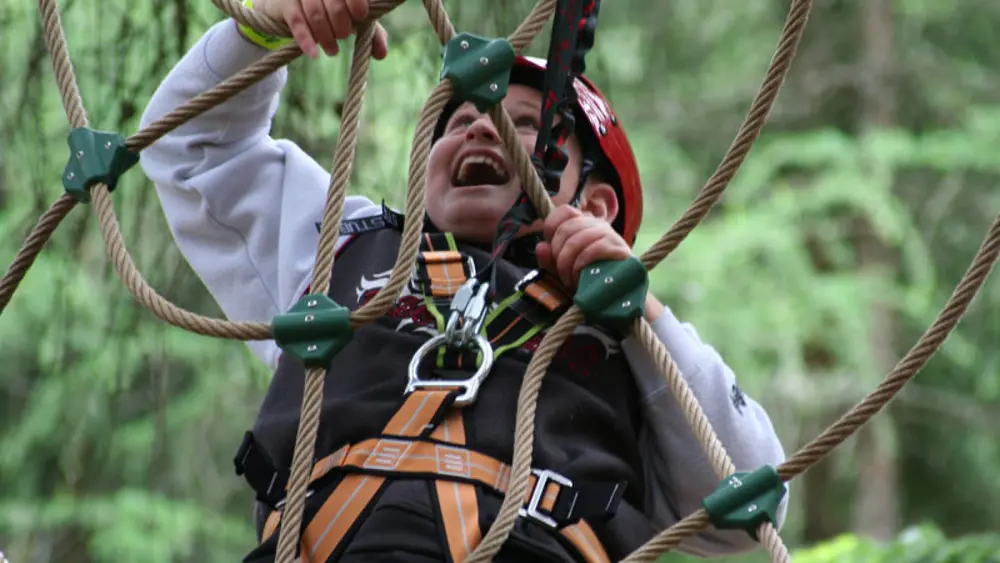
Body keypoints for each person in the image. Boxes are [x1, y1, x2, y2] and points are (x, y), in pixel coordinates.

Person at [138, 1, 790, 561]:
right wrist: (264, 28)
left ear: (595, 207)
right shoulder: (344, 247)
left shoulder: (630, 341)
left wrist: (641, 312)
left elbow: (750, 499)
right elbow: (190, 148)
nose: (481, 123)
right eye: (457, 123)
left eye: (524, 124)